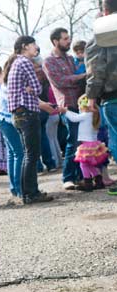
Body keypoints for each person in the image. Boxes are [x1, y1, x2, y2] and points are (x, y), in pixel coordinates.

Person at [6, 35, 53, 204]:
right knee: (32, 154)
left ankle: (27, 192)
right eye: (34, 44)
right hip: (27, 113)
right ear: (25, 46)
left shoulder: (15, 63)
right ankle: (31, 193)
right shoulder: (25, 62)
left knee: (28, 154)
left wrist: (30, 89)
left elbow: (32, 89)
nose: (37, 47)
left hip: (18, 114)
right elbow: (37, 87)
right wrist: (30, 89)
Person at [43, 27, 87, 190]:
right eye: (65, 39)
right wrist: (81, 76)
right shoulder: (49, 61)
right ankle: (67, 177)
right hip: (66, 106)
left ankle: (81, 175)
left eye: (68, 38)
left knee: (82, 141)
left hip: (80, 104)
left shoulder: (70, 58)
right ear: (56, 41)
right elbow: (60, 81)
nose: (69, 41)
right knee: (72, 140)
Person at [86, 0, 117, 194]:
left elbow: (96, 70)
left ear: (104, 10)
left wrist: (91, 97)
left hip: (112, 98)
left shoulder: (100, 37)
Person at [60, 95, 109, 191]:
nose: (78, 108)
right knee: (89, 164)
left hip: (87, 145)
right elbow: (77, 116)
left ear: (84, 106)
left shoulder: (86, 115)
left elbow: (75, 118)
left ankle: (88, 183)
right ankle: (99, 180)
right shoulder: (94, 115)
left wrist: (65, 112)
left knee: (83, 164)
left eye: (79, 105)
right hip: (94, 145)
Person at [0, 79, 24, 199]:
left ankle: (15, 188)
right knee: (19, 153)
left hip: (1, 119)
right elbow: (18, 101)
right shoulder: (10, 84)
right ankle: (19, 188)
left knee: (12, 153)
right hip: (6, 120)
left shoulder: (7, 82)